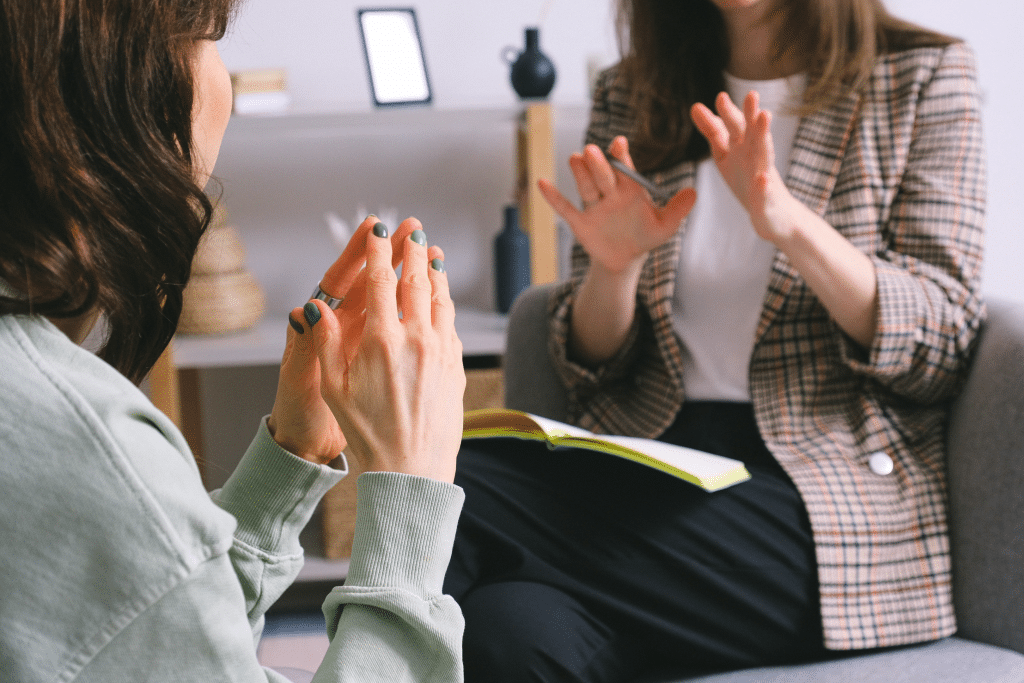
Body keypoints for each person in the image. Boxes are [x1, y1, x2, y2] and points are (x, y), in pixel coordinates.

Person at [443, 0, 985, 680]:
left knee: (446, 476)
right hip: (646, 475)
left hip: (818, 509)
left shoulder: (923, 75)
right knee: (507, 632)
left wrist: (789, 223)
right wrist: (616, 267)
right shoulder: (635, 91)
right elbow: (592, 369)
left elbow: (945, 344)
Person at [0, 1, 466, 681]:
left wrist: (289, 459)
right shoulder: (92, 454)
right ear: (106, 82)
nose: (225, 84)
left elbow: (150, 638)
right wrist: (413, 487)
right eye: (209, 39)